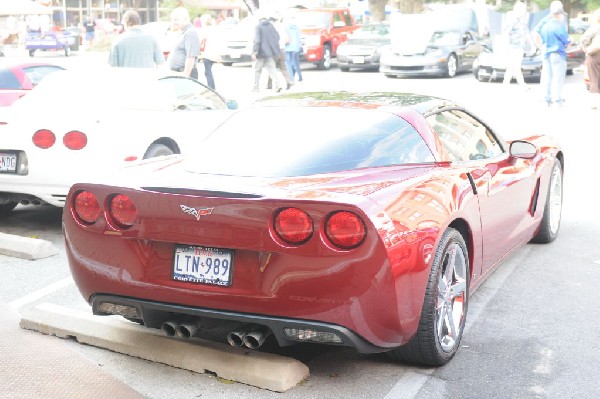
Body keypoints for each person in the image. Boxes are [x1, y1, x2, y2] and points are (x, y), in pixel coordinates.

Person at [534, 1, 571, 107]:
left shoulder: (546, 23)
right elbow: (566, 39)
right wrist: (539, 46)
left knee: (547, 77)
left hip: (547, 52)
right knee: (557, 77)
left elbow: (536, 33)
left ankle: (546, 99)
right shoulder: (555, 22)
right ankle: (557, 100)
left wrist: (541, 46)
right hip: (556, 52)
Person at [502, 2, 533, 88]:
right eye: (523, 10)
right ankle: (523, 85)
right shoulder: (512, 20)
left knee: (511, 67)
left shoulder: (521, 21)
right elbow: (506, 33)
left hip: (519, 47)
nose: (524, 12)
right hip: (513, 47)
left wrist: (532, 45)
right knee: (516, 66)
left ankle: (505, 85)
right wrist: (507, 46)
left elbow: (526, 33)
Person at [252, 14, 283, 92]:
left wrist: (254, 51)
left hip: (260, 53)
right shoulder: (271, 26)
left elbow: (257, 40)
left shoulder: (258, 27)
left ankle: (256, 87)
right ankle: (277, 85)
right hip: (270, 53)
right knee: (273, 69)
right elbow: (277, 37)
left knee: (257, 70)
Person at [169, 7, 201, 80]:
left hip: (185, 74)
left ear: (185, 18)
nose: (174, 22)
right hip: (179, 73)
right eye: (173, 20)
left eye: (176, 19)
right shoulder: (183, 33)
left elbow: (191, 57)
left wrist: (185, 76)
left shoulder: (190, 33)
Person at [580, 9, 600, 109]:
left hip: (594, 55)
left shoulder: (593, 28)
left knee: (594, 79)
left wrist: (586, 50)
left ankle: (594, 103)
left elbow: (583, 41)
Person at [267, 15, 293, 90]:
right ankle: (288, 81)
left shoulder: (271, 29)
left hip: (274, 51)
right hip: (283, 50)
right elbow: (287, 40)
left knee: (272, 67)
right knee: (283, 67)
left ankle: (270, 85)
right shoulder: (282, 27)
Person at [198, 14, 220, 90]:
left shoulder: (204, 30)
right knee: (208, 71)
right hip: (213, 53)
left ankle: (211, 88)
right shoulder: (215, 29)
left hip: (207, 53)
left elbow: (201, 41)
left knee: (208, 72)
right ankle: (211, 87)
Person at [284, 15, 303, 84]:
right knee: (295, 63)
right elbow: (299, 37)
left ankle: (291, 79)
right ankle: (300, 78)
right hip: (295, 47)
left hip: (287, 47)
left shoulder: (285, 26)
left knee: (288, 63)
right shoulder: (296, 26)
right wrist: (299, 45)